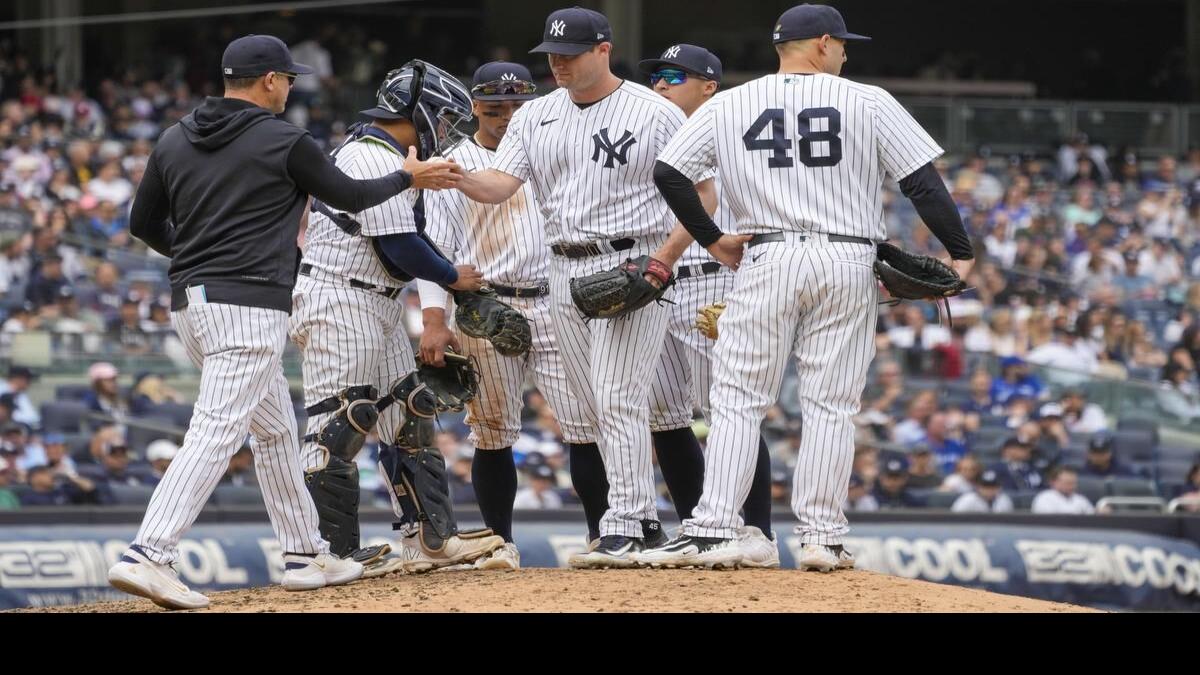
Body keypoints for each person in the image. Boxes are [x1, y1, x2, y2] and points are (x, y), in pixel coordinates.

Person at [108, 34, 440, 609]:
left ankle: (305, 552)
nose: (291, 87)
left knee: (276, 432)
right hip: (249, 306)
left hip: (193, 304)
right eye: (288, 78)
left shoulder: (173, 136)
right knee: (216, 432)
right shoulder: (286, 140)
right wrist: (408, 177)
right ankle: (149, 553)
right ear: (267, 81)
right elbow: (351, 195)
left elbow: (143, 223)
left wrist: (194, 259)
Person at [640, 2, 973, 571]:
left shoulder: (731, 102)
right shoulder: (868, 100)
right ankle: (822, 538)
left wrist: (715, 239)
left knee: (738, 400)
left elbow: (669, 172)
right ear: (821, 43)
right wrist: (961, 253)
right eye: (842, 43)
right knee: (832, 405)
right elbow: (922, 184)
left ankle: (717, 525)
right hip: (847, 258)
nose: (845, 53)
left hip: (766, 257)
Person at [453, 7, 689, 568]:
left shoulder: (653, 112)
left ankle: (626, 520)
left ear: (603, 50)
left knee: (619, 397)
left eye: (570, 53)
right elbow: (500, 184)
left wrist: (663, 259)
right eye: (552, 55)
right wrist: (458, 176)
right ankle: (646, 522)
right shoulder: (536, 116)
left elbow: (700, 191)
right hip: (562, 270)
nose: (557, 63)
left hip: (631, 262)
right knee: (592, 404)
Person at [289, 60, 503, 578]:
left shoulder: (392, 156)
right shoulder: (367, 155)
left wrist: (446, 279)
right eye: (442, 117)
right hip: (339, 297)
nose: (447, 128)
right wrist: (453, 278)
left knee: (409, 410)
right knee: (340, 422)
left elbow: (410, 242)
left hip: (374, 299)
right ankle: (331, 553)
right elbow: (399, 246)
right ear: (417, 112)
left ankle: (430, 540)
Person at [418, 61, 592, 571]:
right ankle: (500, 543)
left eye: (516, 106)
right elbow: (437, 248)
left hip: (557, 298)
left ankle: (605, 535)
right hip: (486, 304)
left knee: (586, 424)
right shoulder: (453, 161)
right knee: (492, 431)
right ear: (475, 107)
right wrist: (434, 318)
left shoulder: (552, 148)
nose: (506, 117)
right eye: (494, 108)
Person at [638, 42, 778, 565]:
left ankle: (756, 531)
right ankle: (699, 530)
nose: (660, 84)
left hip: (712, 278)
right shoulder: (646, 131)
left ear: (709, 85)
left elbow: (715, 197)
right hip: (653, 285)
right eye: (657, 75)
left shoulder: (732, 129)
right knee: (664, 416)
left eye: (674, 75)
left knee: (731, 411)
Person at [1031, 466, 1096, 514]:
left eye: (1074, 483)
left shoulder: (1080, 499)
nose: (1072, 486)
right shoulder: (1044, 498)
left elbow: (1092, 516)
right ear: (1053, 482)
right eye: (1068, 483)